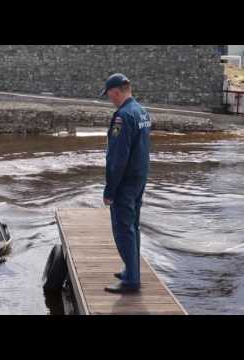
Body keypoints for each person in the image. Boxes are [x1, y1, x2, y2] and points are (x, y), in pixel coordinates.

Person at [100, 73, 151, 294]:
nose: (109, 98)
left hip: (125, 183)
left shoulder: (123, 116)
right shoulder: (142, 111)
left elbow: (117, 159)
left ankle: (131, 280)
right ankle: (132, 270)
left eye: (109, 94)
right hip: (139, 178)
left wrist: (110, 189)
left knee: (123, 229)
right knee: (134, 227)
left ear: (116, 91)